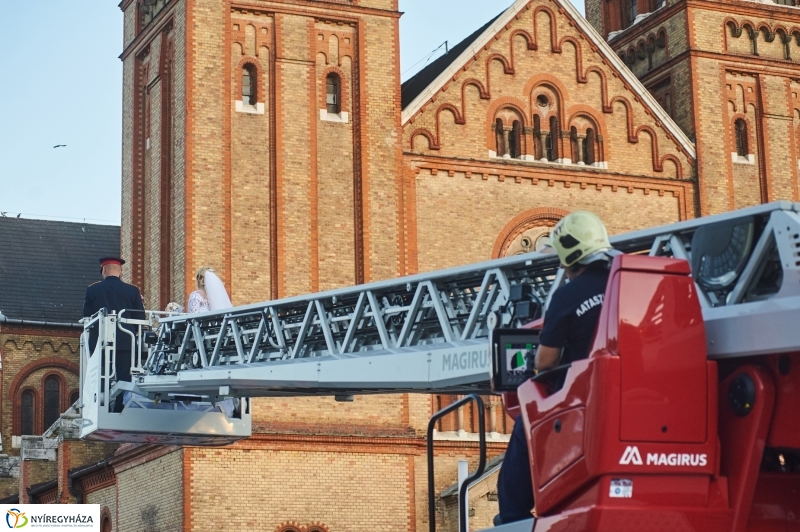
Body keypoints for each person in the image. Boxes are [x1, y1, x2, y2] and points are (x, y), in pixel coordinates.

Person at [496, 211, 618, 524]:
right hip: (634, 399)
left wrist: (534, 365)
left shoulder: (567, 296)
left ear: (570, 255)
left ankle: (512, 518)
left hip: (579, 403)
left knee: (525, 425)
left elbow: (546, 362)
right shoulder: (627, 282)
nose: (562, 266)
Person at [82, 256, 146, 413]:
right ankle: (120, 407)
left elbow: (87, 316)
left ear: (103, 270)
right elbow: (140, 318)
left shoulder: (93, 290)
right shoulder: (132, 290)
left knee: (99, 374)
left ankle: (99, 406)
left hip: (100, 341)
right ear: (121, 271)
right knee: (124, 376)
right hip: (126, 341)